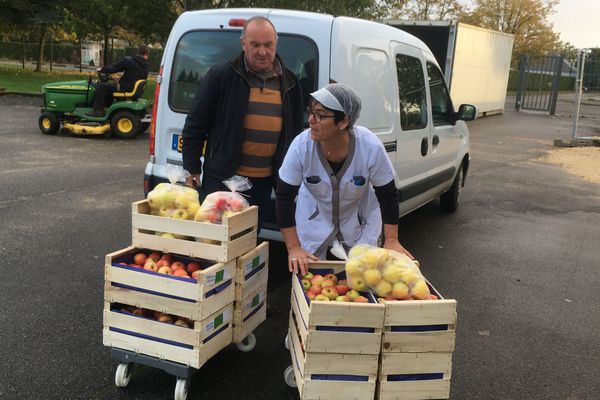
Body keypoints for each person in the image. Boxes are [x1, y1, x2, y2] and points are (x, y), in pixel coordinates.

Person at [275, 83, 414, 275]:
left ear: (343, 122)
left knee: (362, 288)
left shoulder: (369, 147)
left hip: (359, 227)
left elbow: (388, 195)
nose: (311, 120)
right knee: (314, 290)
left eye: (321, 115)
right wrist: (293, 248)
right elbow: (284, 197)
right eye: (311, 111)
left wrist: (392, 239)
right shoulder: (301, 146)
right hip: (313, 227)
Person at [182, 16, 304, 230]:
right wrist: (191, 167)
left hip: (264, 183)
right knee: (213, 239)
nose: (262, 52)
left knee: (249, 240)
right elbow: (196, 124)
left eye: (268, 45)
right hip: (222, 178)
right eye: (255, 45)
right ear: (243, 44)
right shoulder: (221, 75)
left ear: (276, 43)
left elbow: (295, 134)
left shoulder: (291, 83)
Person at [87, 45, 150, 117]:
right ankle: (107, 107)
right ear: (146, 54)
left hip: (125, 88)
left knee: (101, 86)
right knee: (109, 86)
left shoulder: (130, 61)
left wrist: (102, 70)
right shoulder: (145, 65)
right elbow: (134, 76)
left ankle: (98, 110)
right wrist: (120, 79)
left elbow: (115, 68)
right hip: (131, 87)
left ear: (137, 52)